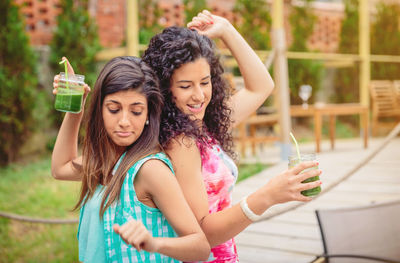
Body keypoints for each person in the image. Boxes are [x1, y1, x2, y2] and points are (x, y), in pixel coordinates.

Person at [142, 10, 322, 262]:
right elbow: (200, 234)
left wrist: (226, 30)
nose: (199, 95)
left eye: (205, 82)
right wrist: (267, 195)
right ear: (163, 87)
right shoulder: (179, 142)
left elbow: (261, 86)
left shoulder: (202, 124)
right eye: (185, 86)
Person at [51, 56, 210, 262]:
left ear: (147, 115)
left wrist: (154, 243)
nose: (124, 121)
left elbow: (200, 246)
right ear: (99, 109)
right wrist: (76, 108)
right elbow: (59, 168)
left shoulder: (150, 169)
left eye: (136, 111)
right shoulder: (105, 161)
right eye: (114, 109)